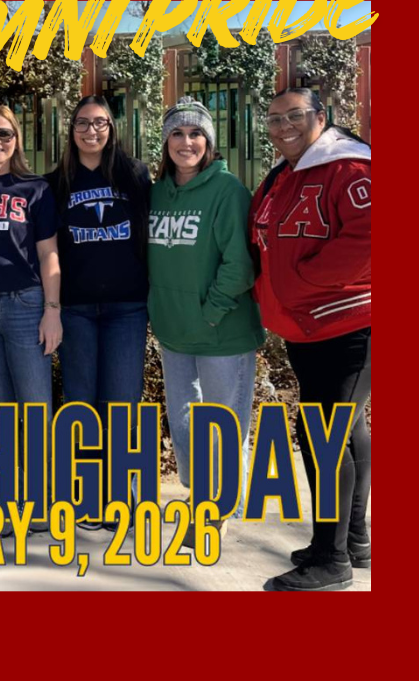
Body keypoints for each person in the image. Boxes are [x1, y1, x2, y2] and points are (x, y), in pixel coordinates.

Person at [252, 89, 372, 592]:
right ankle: (355, 538)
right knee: (347, 430)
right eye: (275, 118)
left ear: (321, 118)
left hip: (347, 324)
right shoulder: (285, 172)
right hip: (307, 326)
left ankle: (331, 559)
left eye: (295, 116)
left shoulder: (351, 168)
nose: (283, 126)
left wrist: (298, 283)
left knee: (322, 437)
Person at [146, 96, 263, 541]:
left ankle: (217, 510)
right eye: (177, 132)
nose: (186, 141)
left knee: (224, 424)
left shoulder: (228, 191)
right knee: (183, 423)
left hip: (222, 334)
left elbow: (239, 264)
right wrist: (163, 313)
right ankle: (200, 496)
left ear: (210, 142)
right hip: (174, 334)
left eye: (196, 133)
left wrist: (210, 312)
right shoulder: (157, 193)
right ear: (166, 142)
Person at [45, 96, 151, 529]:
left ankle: (116, 496)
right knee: (81, 403)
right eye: (83, 123)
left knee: (122, 402)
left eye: (101, 123)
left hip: (128, 307)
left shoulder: (135, 175)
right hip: (77, 308)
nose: (92, 131)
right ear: (71, 130)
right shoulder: (56, 182)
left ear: (112, 128)